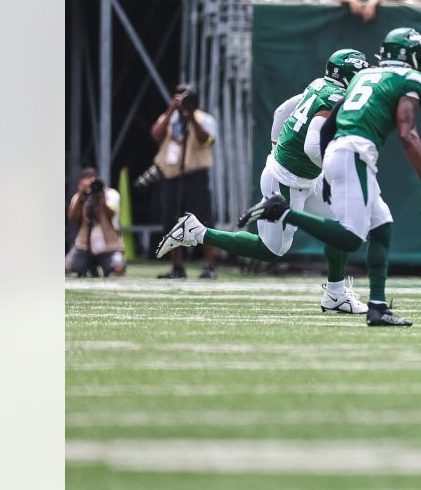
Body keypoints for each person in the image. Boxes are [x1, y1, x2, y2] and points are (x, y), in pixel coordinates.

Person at [240, 28, 421, 327]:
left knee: (381, 224)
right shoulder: (412, 79)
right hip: (355, 151)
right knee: (351, 236)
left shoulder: (361, 78)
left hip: (341, 150)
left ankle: (378, 307)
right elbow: (408, 133)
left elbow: (330, 121)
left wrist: (328, 168)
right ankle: (282, 211)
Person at [158, 50, 372, 314]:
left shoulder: (320, 85)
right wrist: (338, 166)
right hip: (288, 180)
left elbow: (282, 111)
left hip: (300, 175)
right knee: (271, 250)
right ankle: (196, 231)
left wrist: (275, 146)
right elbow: (312, 148)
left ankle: (336, 295)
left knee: (344, 225)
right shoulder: (334, 98)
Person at [151, 85, 219, 279]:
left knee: (203, 220)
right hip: (172, 176)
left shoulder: (204, 119)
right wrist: (172, 110)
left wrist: (191, 119)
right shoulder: (169, 118)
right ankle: (177, 267)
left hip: (195, 176)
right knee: (172, 221)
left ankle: (209, 265)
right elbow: (156, 135)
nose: (183, 101)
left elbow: (207, 140)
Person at [66, 168, 126, 278]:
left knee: (118, 269)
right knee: (67, 269)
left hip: (108, 245)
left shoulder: (111, 194)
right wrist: (80, 195)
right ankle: (83, 267)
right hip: (84, 246)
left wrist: (101, 199)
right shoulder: (79, 196)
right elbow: (71, 219)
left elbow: (111, 215)